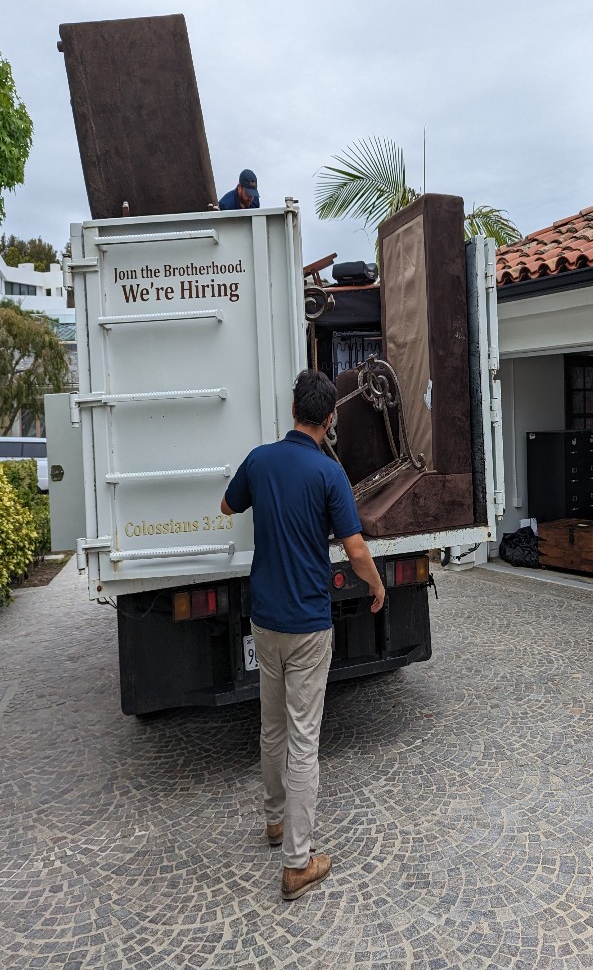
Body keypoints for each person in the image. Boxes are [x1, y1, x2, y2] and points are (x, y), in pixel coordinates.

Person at [221, 369, 386, 900]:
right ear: (331, 417)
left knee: (271, 726)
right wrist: (377, 586)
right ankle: (297, 861)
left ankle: (274, 821)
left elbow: (227, 506)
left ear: (293, 408)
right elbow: (356, 548)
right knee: (303, 738)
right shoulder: (328, 473)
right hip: (309, 624)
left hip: (264, 619)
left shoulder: (260, 460)